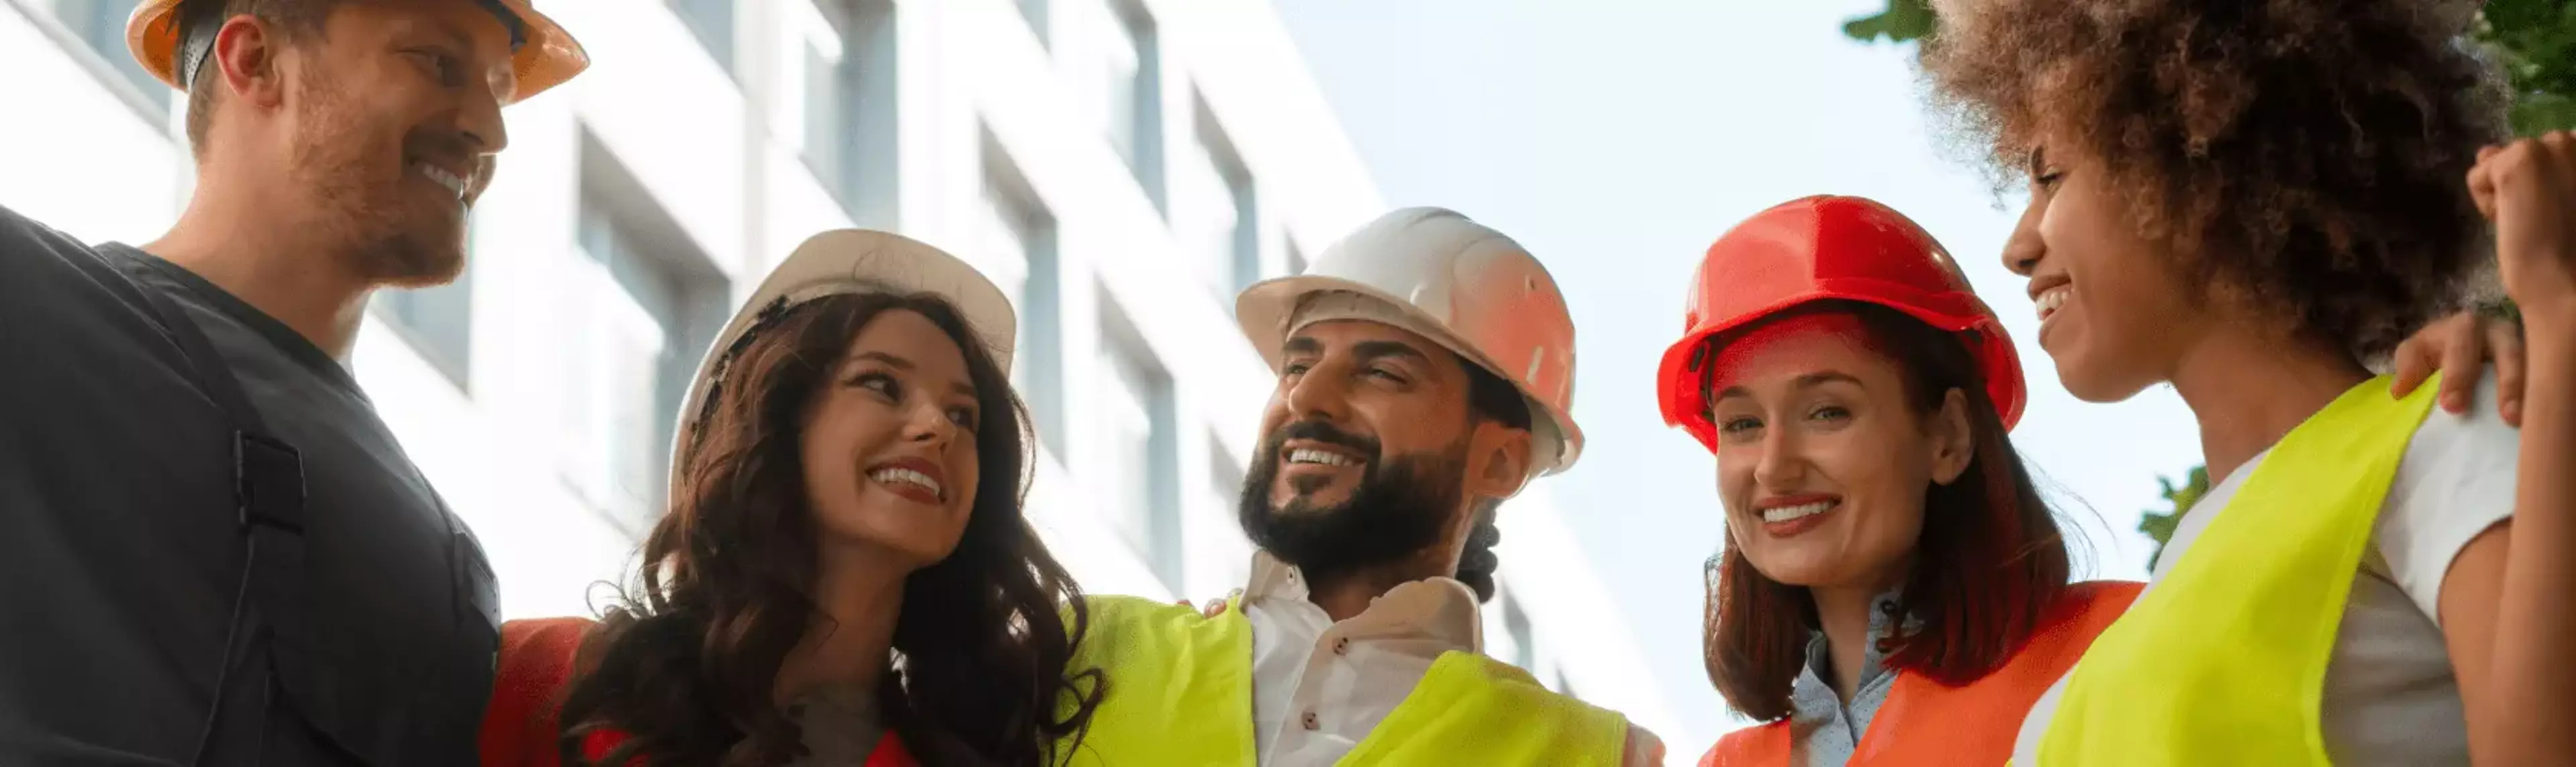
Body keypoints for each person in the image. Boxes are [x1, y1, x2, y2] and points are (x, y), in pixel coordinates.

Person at [1923, 0, 2573, 762]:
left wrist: (2558, 312)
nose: (2018, 247)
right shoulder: (2100, 667)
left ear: (2196, 158)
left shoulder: (2449, 425)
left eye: (2050, 177)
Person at [0, 1, 584, 764]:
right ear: (255, 62)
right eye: (438, 65)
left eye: (498, 90)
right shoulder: (32, 304)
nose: (490, 130)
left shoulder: (452, 560)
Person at [476, 231, 1106, 767]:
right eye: (882, 383)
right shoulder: (547, 678)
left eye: (963, 415)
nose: (937, 426)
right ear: (776, 421)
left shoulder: (982, 750)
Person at [1059, 207, 1663, 766]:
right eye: (1297, 365)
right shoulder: (1082, 651)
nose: (1305, 396)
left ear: (1501, 460)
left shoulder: (1592, 756)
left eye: (1381, 372)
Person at [1663, 196, 2139, 766]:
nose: (1773, 466)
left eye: (1827, 411)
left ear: (1948, 436)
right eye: (1742, 424)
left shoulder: (2118, 648)